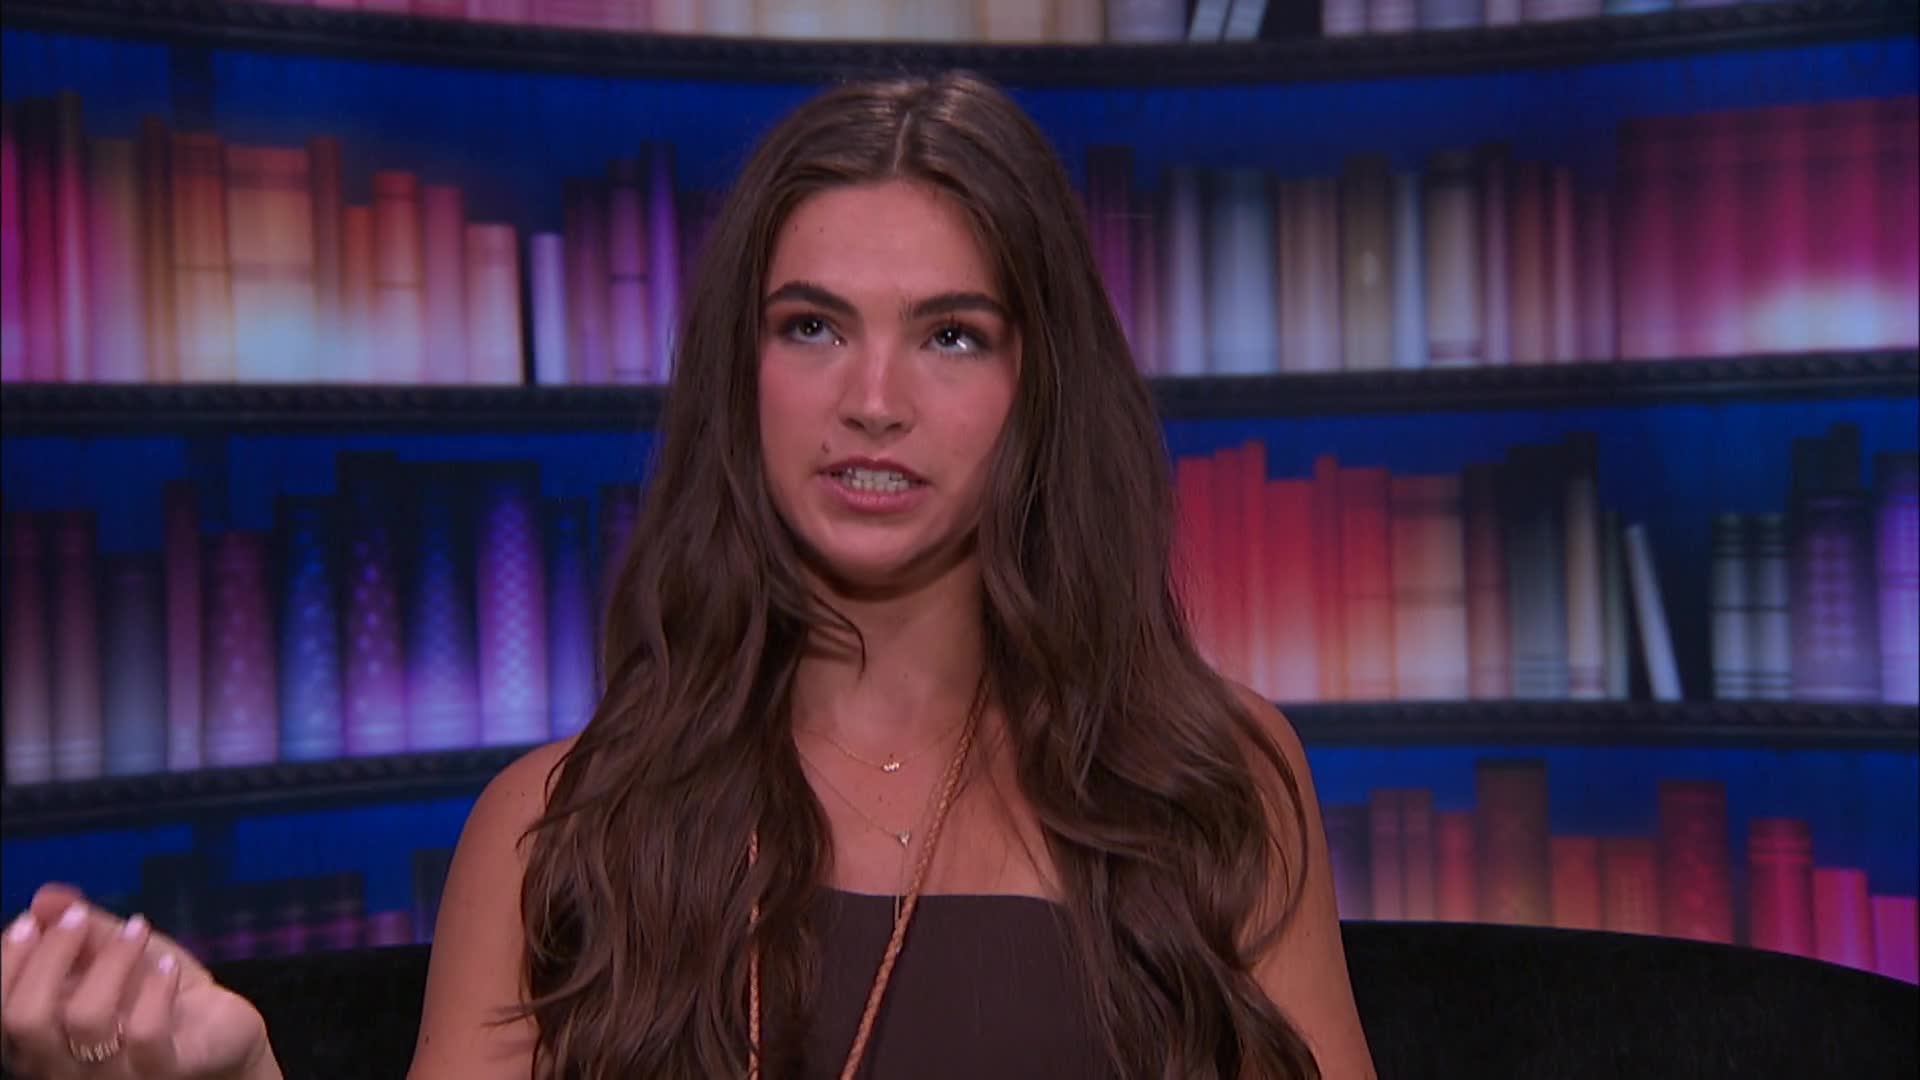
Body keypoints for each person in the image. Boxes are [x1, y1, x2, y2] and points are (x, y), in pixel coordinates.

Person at [0, 71, 1377, 1079]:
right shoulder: (556, 828)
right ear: (741, 374)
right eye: (811, 327)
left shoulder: (1212, 787)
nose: (874, 400)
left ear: (1043, 386)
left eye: (951, 336)